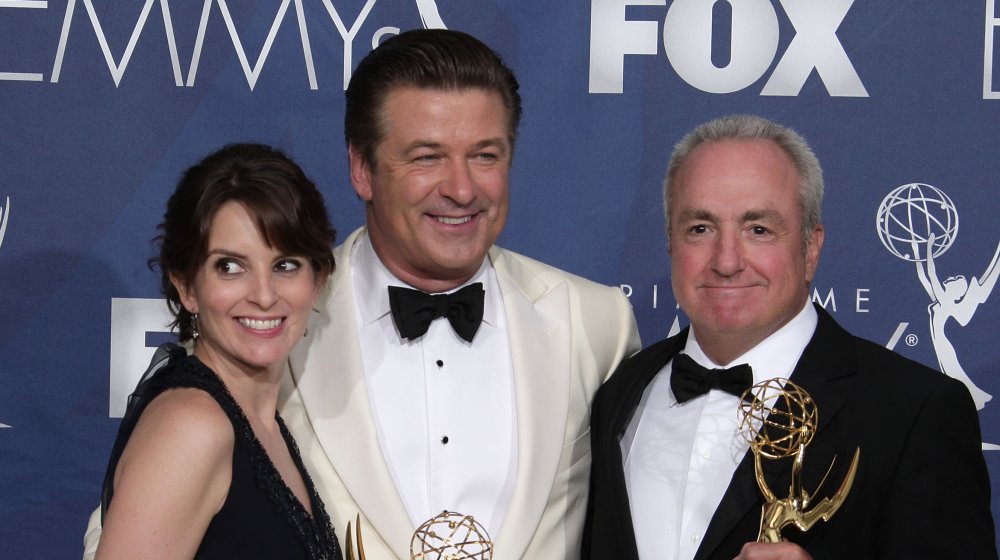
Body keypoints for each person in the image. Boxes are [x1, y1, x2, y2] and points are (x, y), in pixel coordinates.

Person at [84, 29, 640, 560]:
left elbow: (638, 520)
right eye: (426, 156)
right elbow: (128, 525)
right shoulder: (276, 323)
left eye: (485, 155)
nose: (462, 188)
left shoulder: (597, 324)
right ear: (361, 169)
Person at [583, 114, 996, 560]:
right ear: (669, 242)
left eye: (758, 229)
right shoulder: (619, 392)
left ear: (811, 248)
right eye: (699, 229)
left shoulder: (913, 413)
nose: (726, 261)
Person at [93, 144, 342, 559]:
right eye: (230, 266)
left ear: (318, 279)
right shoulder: (192, 426)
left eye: (285, 265)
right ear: (187, 286)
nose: (264, 295)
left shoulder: (263, 423)